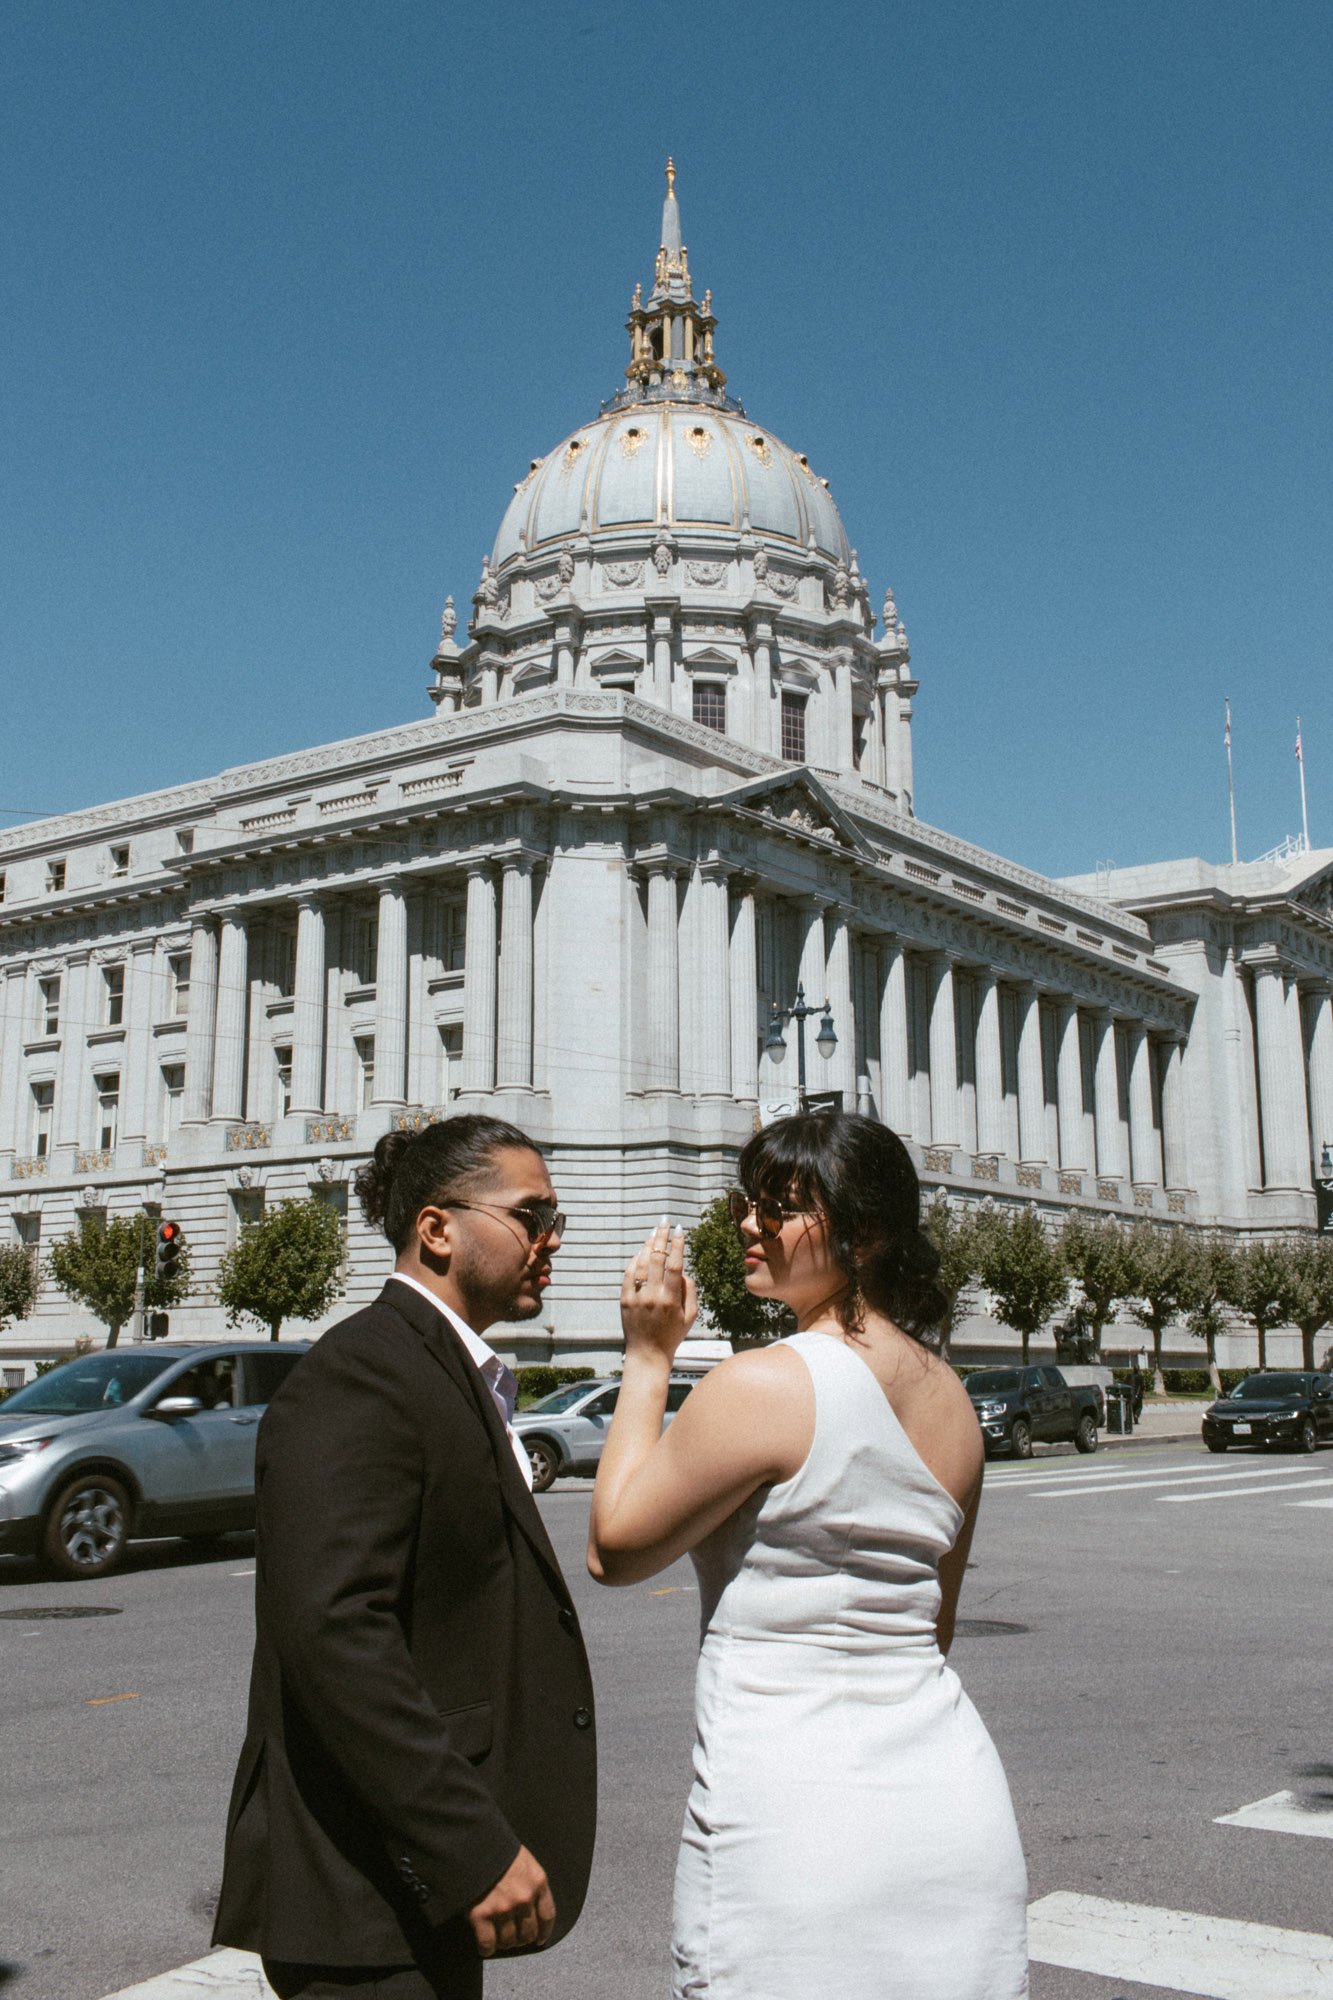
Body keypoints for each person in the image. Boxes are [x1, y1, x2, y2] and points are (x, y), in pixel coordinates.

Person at [588, 1111, 1028, 2000]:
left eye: (781, 1208)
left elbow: (615, 1547)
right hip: (952, 1806)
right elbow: (931, 1627)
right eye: (748, 1203)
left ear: (862, 1233)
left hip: (796, 1814)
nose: (749, 1224)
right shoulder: (950, 1399)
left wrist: (646, 1358)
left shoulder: (763, 1382)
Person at [213, 1114, 597, 2000]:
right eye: (530, 1216)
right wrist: (471, 1843)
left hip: (412, 1896)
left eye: (555, 1219)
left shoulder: (446, 1370)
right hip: (364, 1902)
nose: (550, 1241)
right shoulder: (364, 1374)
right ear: (436, 1229)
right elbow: (333, 1634)